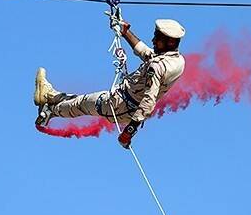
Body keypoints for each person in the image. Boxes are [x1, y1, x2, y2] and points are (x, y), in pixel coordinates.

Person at [34, 18, 186, 149]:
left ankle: (49, 111)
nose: (153, 41)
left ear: (171, 41)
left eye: (157, 38)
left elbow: (149, 100)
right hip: (125, 105)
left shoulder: (157, 67)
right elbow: (146, 53)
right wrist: (125, 33)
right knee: (81, 101)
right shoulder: (177, 61)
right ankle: (49, 95)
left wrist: (129, 132)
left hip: (119, 105)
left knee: (80, 104)